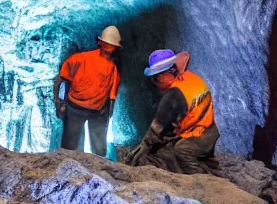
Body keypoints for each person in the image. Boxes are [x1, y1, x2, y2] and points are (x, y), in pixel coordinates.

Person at [126, 49, 220, 175]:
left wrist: (144, 146)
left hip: (202, 134)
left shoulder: (175, 94)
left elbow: (159, 126)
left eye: (156, 77)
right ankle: (211, 168)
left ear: (167, 73)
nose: (154, 82)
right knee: (171, 152)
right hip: (203, 127)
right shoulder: (188, 78)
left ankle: (200, 179)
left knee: (182, 151)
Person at [55, 26, 122, 157]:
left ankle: (92, 167)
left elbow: (111, 97)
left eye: (111, 45)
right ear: (100, 42)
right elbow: (60, 79)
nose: (109, 47)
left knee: (97, 148)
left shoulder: (113, 70)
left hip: (96, 111)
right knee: (72, 147)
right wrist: (59, 102)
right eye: (108, 44)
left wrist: (107, 116)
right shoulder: (79, 59)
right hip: (76, 108)